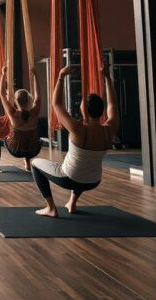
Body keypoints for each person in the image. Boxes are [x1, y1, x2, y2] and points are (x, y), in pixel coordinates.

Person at [32, 63, 119, 218]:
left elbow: (56, 104)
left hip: (69, 178)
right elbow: (112, 104)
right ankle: (71, 202)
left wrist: (61, 76)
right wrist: (106, 78)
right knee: (82, 168)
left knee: (35, 164)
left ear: (84, 110)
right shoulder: (109, 130)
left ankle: (50, 207)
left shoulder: (78, 130)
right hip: (93, 181)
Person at [0, 65, 42, 171]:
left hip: (15, 150)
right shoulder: (35, 112)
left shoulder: (13, 113)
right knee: (29, 138)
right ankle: (27, 162)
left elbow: (2, 94)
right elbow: (38, 95)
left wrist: (3, 74)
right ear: (29, 100)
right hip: (34, 150)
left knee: (7, 136)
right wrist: (35, 75)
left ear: (16, 101)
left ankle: (25, 162)